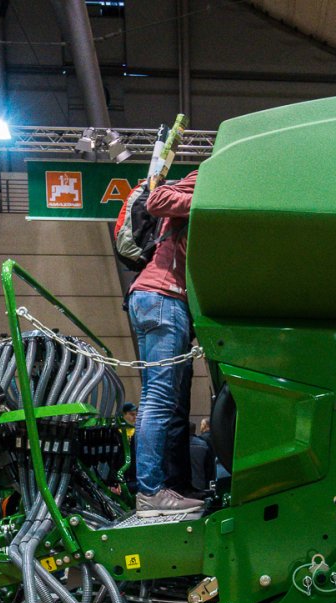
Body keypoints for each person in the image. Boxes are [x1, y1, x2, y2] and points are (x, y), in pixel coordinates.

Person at [127, 169, 201, 517]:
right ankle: (151, 492)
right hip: (163, 296)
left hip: (154, 298)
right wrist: (207, 202)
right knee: (158, 400)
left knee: (155, 400)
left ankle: (153, 489)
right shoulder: (208, 177)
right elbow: (157, 199)